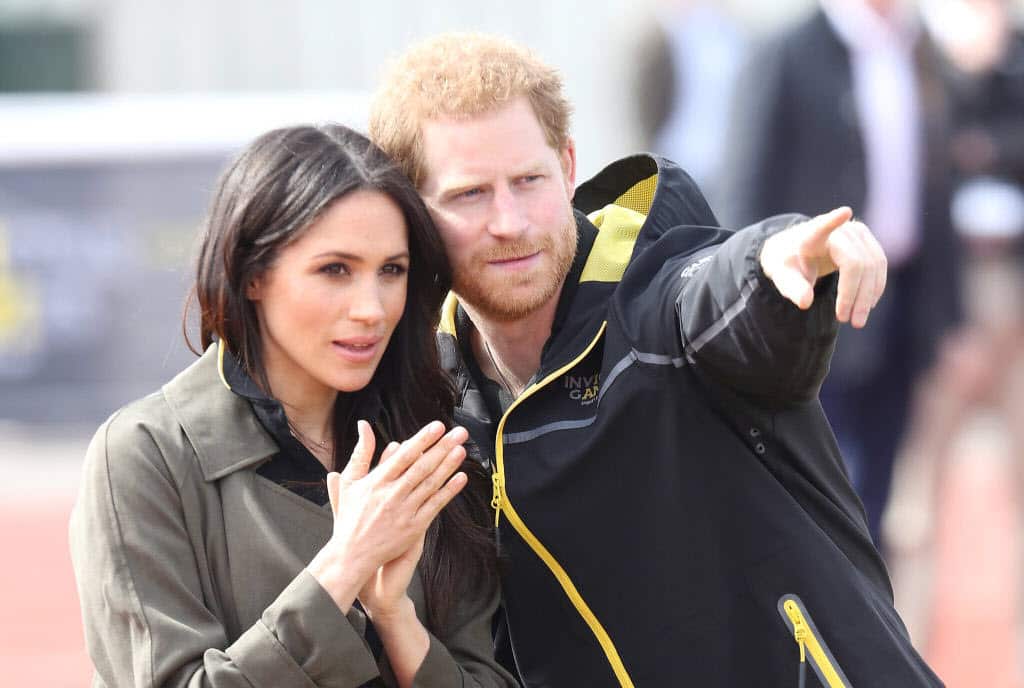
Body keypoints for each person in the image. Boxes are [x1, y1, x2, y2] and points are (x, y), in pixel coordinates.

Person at [368, 33, 943, 686]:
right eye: (471, 195)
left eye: (529, 181)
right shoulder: (431, 410)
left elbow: (719, 292)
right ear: (412, 209)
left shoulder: (658, 297)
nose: (511, 221)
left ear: (568, 165)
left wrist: (782, 259)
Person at [68, 124, 520, 688]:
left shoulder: (427, 446)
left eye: (392, 271)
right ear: (253, 273)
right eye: (335, 270)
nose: (371, 309)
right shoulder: (145, 455)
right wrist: (343, 566)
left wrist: (395, 617)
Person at [719, 0, 963, 552]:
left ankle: (865, 632)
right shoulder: (786, 53)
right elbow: (743, 197)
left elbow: (936, 182)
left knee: (879, 491)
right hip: (812, 311)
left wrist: (949, 314)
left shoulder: (918, 46)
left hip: (902, 302)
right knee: (821, 497)